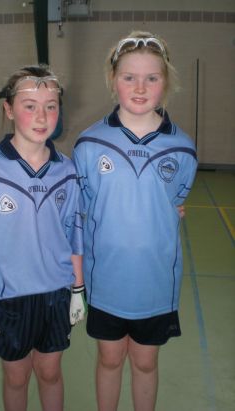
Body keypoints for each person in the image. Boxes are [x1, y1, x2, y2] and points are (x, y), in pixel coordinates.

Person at [0, 65, 86, 411]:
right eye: (29, 105)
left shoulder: (66, 170)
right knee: (16, 377)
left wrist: (78, 288)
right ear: (8, 109)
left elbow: (75, 234)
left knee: (51, 372)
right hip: (7, 297)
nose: (42, 116)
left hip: (55, 293)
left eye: (51, 105)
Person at [72, 31, 198, 411]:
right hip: (106, 279)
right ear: (113, 80)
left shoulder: (182, 147)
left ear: (167, 83)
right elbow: (81, 211)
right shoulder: (89, 144)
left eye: (152, 78)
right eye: (129, 77)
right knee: (109, 359)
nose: (140, 87)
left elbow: (174, 201)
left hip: (155, 283)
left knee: (145, 362)